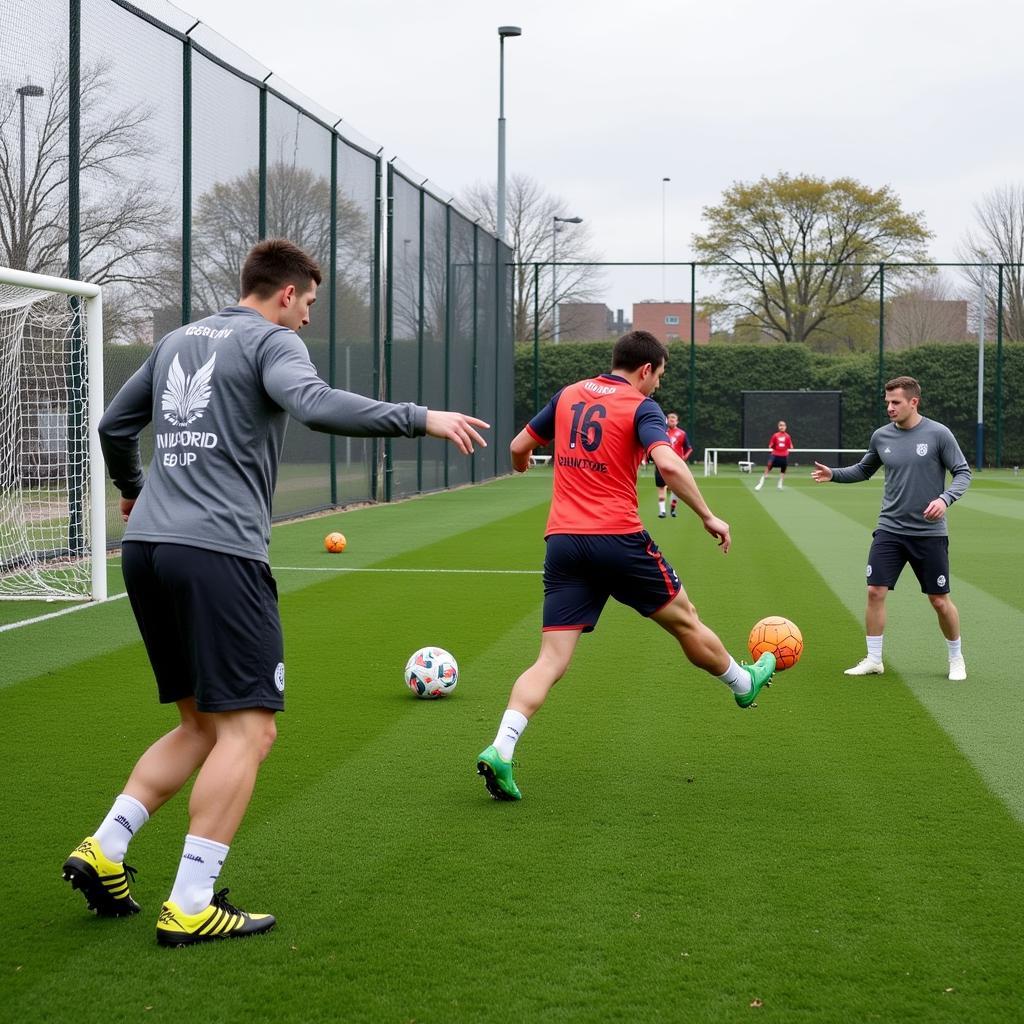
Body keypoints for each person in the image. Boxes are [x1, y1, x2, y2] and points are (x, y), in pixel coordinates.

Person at [62, 239, 488, 945]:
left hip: (146, 551)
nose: (309, 321)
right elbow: (315, 406)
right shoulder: (271, 341)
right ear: (285, 293)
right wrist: (422, 417)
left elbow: (113, 425)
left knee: (199, 724)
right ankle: (191, 902)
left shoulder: (176, 340)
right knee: (252, 729)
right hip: (217, 554)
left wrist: (134, 492)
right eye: (310, 304)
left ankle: (106, 848)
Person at [475, 330, 776, 801]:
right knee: (686, 621)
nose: (657, 386)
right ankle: (744, 682)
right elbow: (670, 466)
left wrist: (521, 467)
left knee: (551, 660)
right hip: (616, 539)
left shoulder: (568, 394)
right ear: (646, 370)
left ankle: (501, 748)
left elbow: (518, 447)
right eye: (659, 376)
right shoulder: (640, 406)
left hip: (563, 542)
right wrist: (709, 515)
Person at [810, 376, 970, 681]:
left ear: (913, 402)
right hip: (890, 529)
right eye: (887, 402)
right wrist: (834, 474)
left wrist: (945, 499)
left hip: (929, 533)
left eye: (896, 402)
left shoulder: (939, 434)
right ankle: (874, 659)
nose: (890, 408)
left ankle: (956, 658)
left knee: (938, 599)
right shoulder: (881, 436)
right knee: (874, 591)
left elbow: (962, 472)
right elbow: (864, 469)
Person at [655, 411, 693, 518]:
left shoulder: (682, 433)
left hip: (676, 464)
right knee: (661, 487)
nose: (671, 421)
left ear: (677, 421)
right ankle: (662, 511)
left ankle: (672, 508)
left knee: (676, 488)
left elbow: (689, 448)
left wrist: (684, 458)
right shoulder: (661, 432)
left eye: (673, 419)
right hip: (661, 463)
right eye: (669, 419)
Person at [755, 420, 793, 491]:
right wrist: (771, 446)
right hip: (775, 455)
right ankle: (760, 483)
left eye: (783, 425)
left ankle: (780, 483)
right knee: (768, 466)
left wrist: (789, 447)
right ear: (778, 427)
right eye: (780, 425)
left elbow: (790, 446)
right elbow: (771, 445)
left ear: (786, 427)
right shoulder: (775, 435)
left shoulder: (788, 436)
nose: (782, 427)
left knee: (783, 469)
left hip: (784, 456)